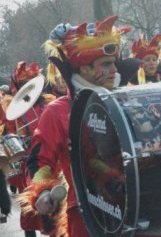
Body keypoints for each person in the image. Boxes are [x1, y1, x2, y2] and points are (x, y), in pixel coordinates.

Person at [20, 15, 131, 237]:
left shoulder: (128, 99)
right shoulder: (57, 111)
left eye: (114, 64)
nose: (114, 71)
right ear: (85, 69)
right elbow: (40, 162)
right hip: (88, 217)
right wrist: (42, 192)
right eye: (106, 64)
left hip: (136, 210)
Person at [2, 61, 56, 237]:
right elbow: (9, 135)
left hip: (50, 159)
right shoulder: (12, 109)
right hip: (26, 163)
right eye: (25, 84)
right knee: (28, 210)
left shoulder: (49, 105)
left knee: (55, 203)